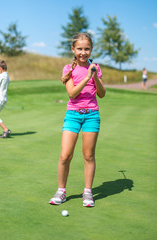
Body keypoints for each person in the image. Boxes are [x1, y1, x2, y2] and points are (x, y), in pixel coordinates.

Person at [49, 33, 106, 207]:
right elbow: (72, 93)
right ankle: (61, 191)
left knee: (88, 155)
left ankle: (87, 192)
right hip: (73, 115)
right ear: (73, 49)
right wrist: (87, 77)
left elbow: (102, 94)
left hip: (91, 115)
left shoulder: (96, 68)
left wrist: (94, 76)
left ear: (91, 49)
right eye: (79, 49)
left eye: (87, 49)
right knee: (65, 155)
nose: (83, 52)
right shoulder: (68, 69)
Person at [0, 60, 11, 138]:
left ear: (0, 68)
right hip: (2, 97)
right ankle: (6, 130)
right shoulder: (6, 75)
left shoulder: (1, 76)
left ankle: (6, 130)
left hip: (0, 98)